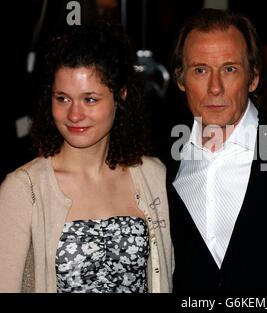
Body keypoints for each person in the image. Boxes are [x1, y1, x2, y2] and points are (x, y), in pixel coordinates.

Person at [0, 23, 173, 293]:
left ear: (121, 95)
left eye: (90, 99)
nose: (74, 115)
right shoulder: (23, 189)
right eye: (62, 99)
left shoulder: (153, 175)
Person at [166, 8, 267, 293]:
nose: (215, 88)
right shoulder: (160, 161)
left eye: (229, 69)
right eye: (200, 70)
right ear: (180, 79)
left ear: (253, 78)